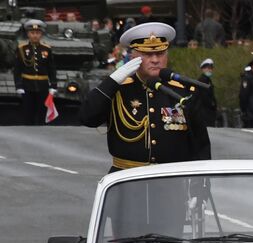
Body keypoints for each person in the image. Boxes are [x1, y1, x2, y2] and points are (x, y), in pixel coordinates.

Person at [78, 22, 211, 171]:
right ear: (133, 56)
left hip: (172, 181)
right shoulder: (119, 89)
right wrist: (111, 82)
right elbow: (87, 117)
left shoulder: (183, 91)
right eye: (147, 54)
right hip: (128, 178)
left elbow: (200, 145)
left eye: (160, 54)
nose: (155, 60)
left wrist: (200, 187)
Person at [14, 18, 57, 126]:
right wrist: (18, 85)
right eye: (32, 33)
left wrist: (53, 85)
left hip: (42, 85)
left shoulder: (46, 49)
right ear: (28, 34)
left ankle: (41, 132)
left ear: (41, 34)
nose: (35, 35)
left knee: (42, 111)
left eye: (37, 33)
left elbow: (51, 68)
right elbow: (17, 69)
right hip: (27, 85)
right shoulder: (22, 48)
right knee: (28, 111)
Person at [193, 57, 219, 126]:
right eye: (207, 68)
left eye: (210, 68)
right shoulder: (202, 80)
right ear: (203, 69)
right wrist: (212, 104)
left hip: (208, 111)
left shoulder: (208, 80)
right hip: (204, 111)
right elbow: (204, 96)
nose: (209, 70)